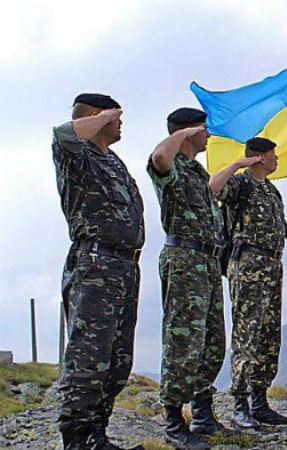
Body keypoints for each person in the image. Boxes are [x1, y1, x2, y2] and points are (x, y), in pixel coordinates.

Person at [53, 93, 145, 450]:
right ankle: (76, 440)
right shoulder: (77, 154)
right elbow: (64, 133)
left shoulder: (115, 162)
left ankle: (96, 437)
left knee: (117, 361)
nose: (121, 124)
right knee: (88, 359)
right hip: (95, 265)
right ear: (97, 115)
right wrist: (107, 114)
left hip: (124, 267)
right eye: (117, 117)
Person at [148, 108, 227, 450]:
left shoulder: (196, 171)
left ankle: (203, 413)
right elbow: (159, 158)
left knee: (212, 343)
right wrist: (182, 133)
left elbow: (214, 191)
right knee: (183, 342)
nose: (208, 135)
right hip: (184, 259)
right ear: (189, 131)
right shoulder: (172, 166)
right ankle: (173, 421)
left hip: (207, 262)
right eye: (204, 129)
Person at [209, 137, 287, 428]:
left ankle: (260, 401)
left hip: (272, 264)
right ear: (259, 157)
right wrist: (236, 165)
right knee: (247, 332)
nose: (277, 159)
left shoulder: (271, 190)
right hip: (248, 264)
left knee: (269, 334)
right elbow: (213, 188)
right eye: (273, 154)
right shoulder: (241, 184)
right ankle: (240, 404)